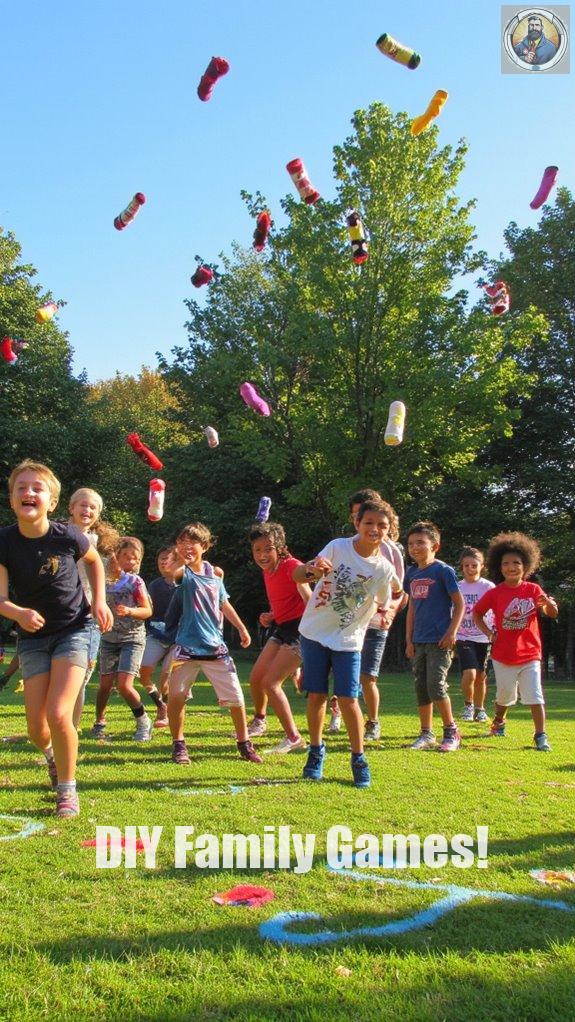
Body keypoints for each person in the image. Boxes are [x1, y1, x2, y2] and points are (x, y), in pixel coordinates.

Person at [0, 459, 112, 817]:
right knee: (36, 727)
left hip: (75, 630)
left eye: (37, 488)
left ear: (50, 502)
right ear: (12, 499)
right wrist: (18, 613)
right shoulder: (3, 542)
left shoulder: (67, 535)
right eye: (21, 487)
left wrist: (100, 602)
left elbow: (94, 561)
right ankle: (51, 756)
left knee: (60, 713)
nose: (29, 492)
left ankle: (68, 789)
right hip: (32, 638)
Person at [294, 499, 403, 788]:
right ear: (357, 523)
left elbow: (391, 595)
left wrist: (390, 607)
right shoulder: (337, 547)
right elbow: (298, 575)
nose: (375, 529)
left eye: (382, 525)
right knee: (316, 695)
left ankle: (358, 759)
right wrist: (312, 569)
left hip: (349, 639)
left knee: (349, 699)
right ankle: (316, 753)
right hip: (315, 632)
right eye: (368, 523)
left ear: (390, 530)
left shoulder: (383, 568)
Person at [166, 522, 263, 766]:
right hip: (186, 649)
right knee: (176, 696)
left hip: (215, 648)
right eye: (182, 541)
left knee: (236, 698)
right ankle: (178, 745)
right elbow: (173, 574)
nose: (187, 546)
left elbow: (223, 602)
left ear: (205, 546)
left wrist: (241, 628)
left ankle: (244, 743)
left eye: (193, 542)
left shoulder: (215, 574)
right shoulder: (182, 572)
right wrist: (181, 560)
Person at [328, 489, 406, 739]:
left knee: (367, 676)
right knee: (340, 673)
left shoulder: (391, 551)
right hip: (346, 622)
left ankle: (373, 722)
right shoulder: (343, 546)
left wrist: (389, 614)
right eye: (357, 516)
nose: (365, 523)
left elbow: (398, 590)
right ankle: (338, 714)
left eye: (375, 520)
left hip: (374, 624)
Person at [472, 532, 558, 751]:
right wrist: (489, 633)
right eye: (506, 563)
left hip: (530, 654)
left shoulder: (533, 590)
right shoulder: (495, 592)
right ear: (499, 567)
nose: (511, 567)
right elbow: (477, 613)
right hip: (502, 655)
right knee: (505, 697)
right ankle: (499, 721)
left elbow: (552, 612)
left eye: (516, 563)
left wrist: (548, 603)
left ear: (525, 565)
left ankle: (540, 735)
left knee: (535, 695)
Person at [248, 522, 311, 753]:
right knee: (256, 677)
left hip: (301, 630)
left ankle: (293, 737)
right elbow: (286, 601)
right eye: (257, 550)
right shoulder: (268, 571)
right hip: (282, 628)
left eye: (268, 549)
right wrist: (271, 615)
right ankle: (260, 720)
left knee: (271, 683)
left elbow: (308, 598)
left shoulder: (292, 566)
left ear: (280, 547)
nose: (263, 555)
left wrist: (313, 632)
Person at [404, 521, 465, 752]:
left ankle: (451, 731)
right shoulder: (411, 573)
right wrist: (409, 640)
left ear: (435, 546)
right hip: (418, 640)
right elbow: (411, 609)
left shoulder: (443, 571)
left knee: (436, 685)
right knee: (421, 686)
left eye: (420, 542)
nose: (414, 547)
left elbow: (460, 604)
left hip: (440, 640)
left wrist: (452, 632)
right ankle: (426, 733)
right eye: (410, 543)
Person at [91, 537, 153, 740]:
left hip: (132, 638)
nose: (129, 561)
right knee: (105, 685)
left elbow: (147, 611)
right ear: (115, 556)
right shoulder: (102, 582)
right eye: (125, 556)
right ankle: (99, 721)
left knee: (125, 686)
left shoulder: (135, 582)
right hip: (109, 639)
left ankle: (143, 721)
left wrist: (130, 611)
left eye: (134, 558)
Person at [68, 487, 119, 728]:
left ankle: (72, 730)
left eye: (93, 507)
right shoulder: (57, 536)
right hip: (60, 615)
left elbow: (107, 581)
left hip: (87, 619)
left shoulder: (98, 546)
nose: (87, 510)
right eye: (83, 505)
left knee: (80, 679)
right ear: (71, 508)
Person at [139, 544, 177, 728]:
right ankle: (160, 704)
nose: (163, 562)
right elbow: (147, 611)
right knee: (143, 673)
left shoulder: (186, 584)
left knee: (165, 676)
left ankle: (167, 711)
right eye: (160, 559)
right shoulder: (154, 585)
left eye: (167, 558)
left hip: (179, 639)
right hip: (156, 636)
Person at [455, 546, 495, 724]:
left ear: (481, 566)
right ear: (461, 567)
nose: (470, 569)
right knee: (469, 672)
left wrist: (494, 632)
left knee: (481, 675)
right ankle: (468, 705)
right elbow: (452, 610)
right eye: (466, 566)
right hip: (463, 635)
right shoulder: (457, 587)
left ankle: (480, 709)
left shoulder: (488, 587)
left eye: (473, 565)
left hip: (484, 636)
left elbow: (495, 610)